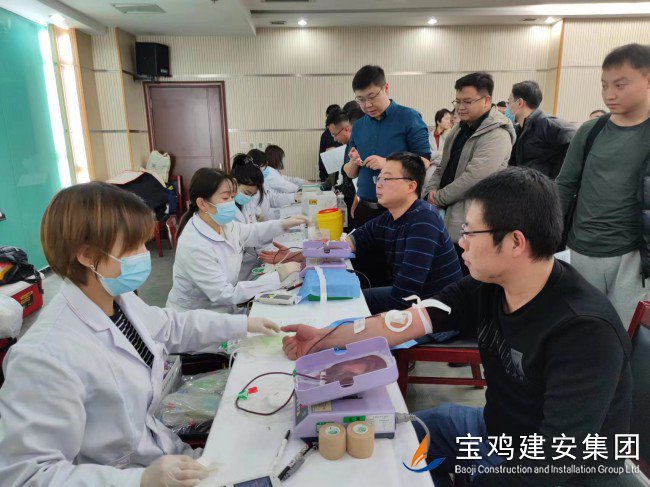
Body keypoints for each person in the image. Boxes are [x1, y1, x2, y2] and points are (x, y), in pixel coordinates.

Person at [282, 168, 632, 487]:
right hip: (494, 431)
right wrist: (326, 339)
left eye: (470, 232)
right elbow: (407, 321)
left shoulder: (584, 331)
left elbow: (552, 463)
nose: (461, 242)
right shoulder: (489, 285)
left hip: (555, 472)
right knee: (394, 439)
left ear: (515, 242)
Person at [0, 182, 281, 486]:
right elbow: (27, 475)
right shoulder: (44, 355)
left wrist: (244, 325)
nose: (143, 255)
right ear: (88, 255)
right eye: (133, 247)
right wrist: (140, 481)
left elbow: (170, 326)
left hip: (165, 454)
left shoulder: (116, 300)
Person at [557, 43, 650, 327]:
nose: (609, 94)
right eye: (604, 85)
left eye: (620, 85)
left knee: (630, 336)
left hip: (634, 257)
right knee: (582, 331)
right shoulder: (591, 131)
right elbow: (565, 185)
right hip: (581, 251)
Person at [166, 168, 307, 313]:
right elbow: (224, 294)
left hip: (223, 307)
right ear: (202, 204)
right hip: (195, 317)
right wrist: (278, 276)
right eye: (225, 198)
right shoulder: (194, 244)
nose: (231, 203)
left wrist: (284, 224)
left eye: (232, 197)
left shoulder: (224, 225)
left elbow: (252, 232)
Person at [342, 65, 431, 286]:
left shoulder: (408, 117)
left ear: (386, 88)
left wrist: (387, 164)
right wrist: (353, 163)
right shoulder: (359, 126)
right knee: (365, 272)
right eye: (361, 100)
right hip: (366, 210)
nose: (367, 105)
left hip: (399, 213)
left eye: (372, 96)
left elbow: (424, 161)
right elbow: (349, 171)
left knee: (395, 275)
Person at [345, 152, 462, 317]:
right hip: (410, 299)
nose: (378, 185)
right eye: (378, 178)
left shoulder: (424, 220)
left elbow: (405, 296)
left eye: (387, 179)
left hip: (437, 311)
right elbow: (357, 238)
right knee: (348, 300)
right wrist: (325, 250)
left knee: (353, 313)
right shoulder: (390, 216)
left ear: (411, 186)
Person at [423, 72, 515, 275]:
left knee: (464, 279)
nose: (460, 107)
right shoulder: (459, 129)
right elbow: (442, 166)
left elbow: (474, 178)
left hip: (472, 224)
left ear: (486, 100)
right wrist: (430, 191)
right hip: (444, 217)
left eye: (467, 101)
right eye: (457, 101)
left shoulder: (497, 134)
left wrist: (438, 197)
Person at [230, 154, 297, 280]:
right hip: (237, 269)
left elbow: (254, 230)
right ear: (234, 184)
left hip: (251, 262)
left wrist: (268, 252)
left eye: (252, 194)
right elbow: (248, 234)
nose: (249, 197)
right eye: (247, 193)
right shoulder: (226, 211)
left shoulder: (247, 203)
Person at [507, 80, 576, 179]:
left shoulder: (548, 125)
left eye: (509, 101)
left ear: (520, 103)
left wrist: (554, 178)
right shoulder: (519, 130)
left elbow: (575, 142)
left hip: (545, 186)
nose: (508, 106)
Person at [319, 104, 342, 182]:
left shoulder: (346, 131)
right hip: (329, 175)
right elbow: (321, 155)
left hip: (341, 174)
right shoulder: (325, 134)